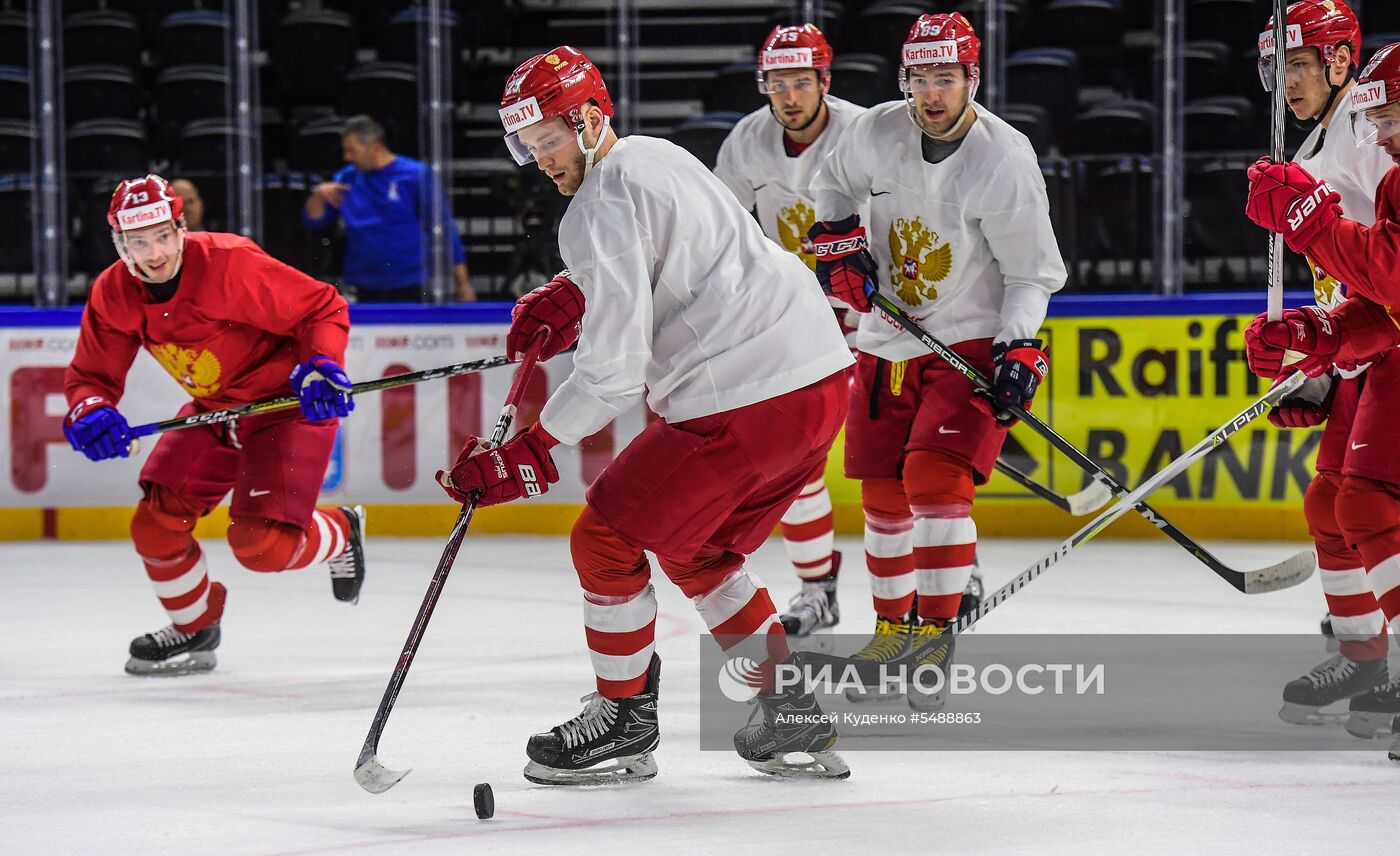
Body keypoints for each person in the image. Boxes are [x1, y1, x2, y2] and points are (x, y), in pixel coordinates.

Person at [438, 46, 854, 784]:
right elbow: (669, 254)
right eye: (529, 146)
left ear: (590, 118)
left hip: (745, 393)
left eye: (550, 140)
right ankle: (788, 709)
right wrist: (581, 289)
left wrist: (531, 449)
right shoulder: (656, 155)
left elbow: (613, 373)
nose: (540, 160)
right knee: (698, 553)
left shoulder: (597, 205)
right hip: (817, 381)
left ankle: (623, 720)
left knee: (604, 542)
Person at [806, 12, 1065, 709]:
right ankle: (892, 634)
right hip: (887, 341)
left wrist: (1017, 347)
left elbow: (1032, 273)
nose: (930, 93)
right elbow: (828, 188)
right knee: (884, 496)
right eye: (919, 77)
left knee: (932, 480)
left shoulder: (1003, 156)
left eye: (945, 78)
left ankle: (935, 636)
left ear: (972, 80)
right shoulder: (876, 130)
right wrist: (838, 245)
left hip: (968, 341)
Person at [64, 174, 367, 677]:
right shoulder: (114, 292)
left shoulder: (230, 263)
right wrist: (91, 408)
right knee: (155, 526)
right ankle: (195, 625)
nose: (154, 253)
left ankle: (341, 528)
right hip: (217, 410)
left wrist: (320, 364)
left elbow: (321, 307)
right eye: (137, 242)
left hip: (287, 404)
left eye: (162, 236)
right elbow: (91, 376)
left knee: (262, 547)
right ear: (119, 243)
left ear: (181, 227)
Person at [1243, 39, 1400, 754]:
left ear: (1341, 59)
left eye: (1300, 64)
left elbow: (1384, 268)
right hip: (1376, 339)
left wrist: (1311, 221)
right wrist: (1316, 340)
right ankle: (1368, 666)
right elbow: (1370, 288)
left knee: (1366, 502)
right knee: (1332, 502)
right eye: (1278, 68)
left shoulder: (1365, 142)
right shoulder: (1320, 145)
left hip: (1389, 344)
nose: (1385, 133)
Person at [712, 23, 866, 640]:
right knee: (793, 463)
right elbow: (719, 229)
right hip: (794, 316)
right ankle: (817, 589)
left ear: (825, 82)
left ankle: (956, 568)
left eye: (802, 82)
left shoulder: (865, 133)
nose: (790, 95)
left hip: (872, 307)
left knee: (902, 460)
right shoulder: (748, 140)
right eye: (778, 83)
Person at [302, 115, 476, 303]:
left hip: (412, 282)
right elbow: (314, 221)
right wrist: (318, 195)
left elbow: (444, 227)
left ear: (374, 146)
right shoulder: (346, 178)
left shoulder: (415, 175)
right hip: (363, 284)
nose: (347, 157)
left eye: (352, 151)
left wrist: (463, 282)